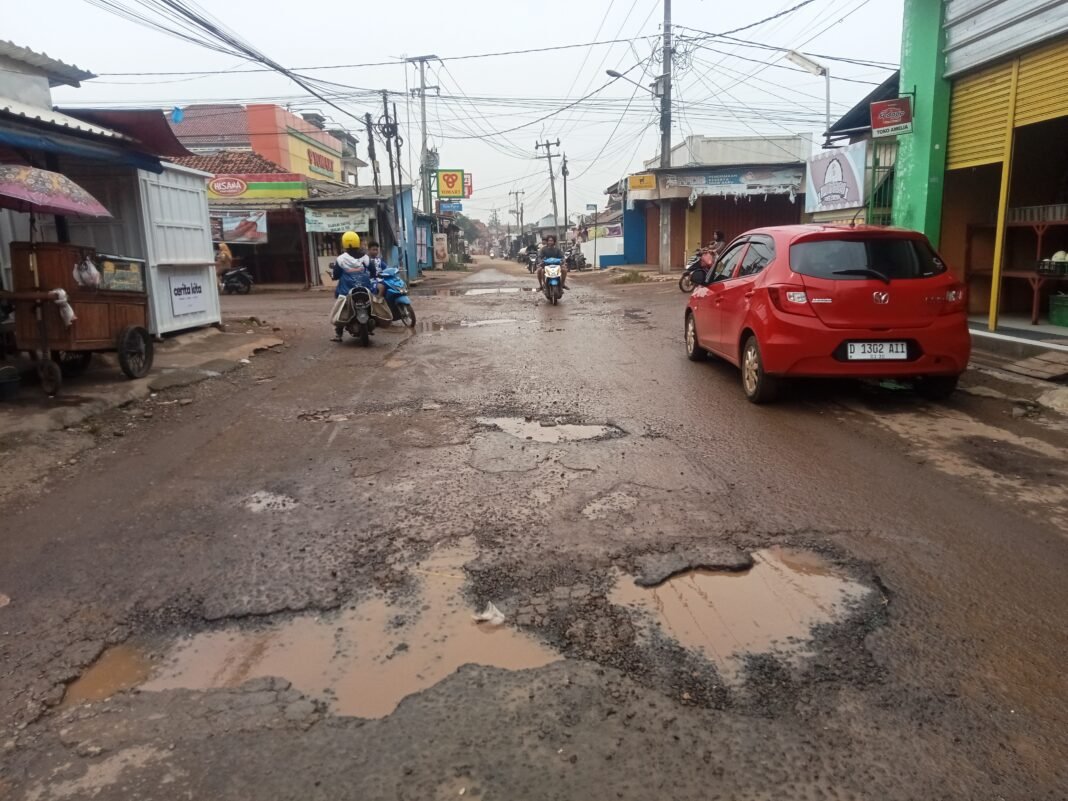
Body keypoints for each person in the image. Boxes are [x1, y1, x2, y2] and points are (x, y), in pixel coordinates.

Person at [331, 230, 372, 342]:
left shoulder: (340, 259)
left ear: (344, 243)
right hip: (365, 287)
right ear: (357, 242)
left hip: (346, 289)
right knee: (372, 301)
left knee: (340, 307)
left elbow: (336, 274)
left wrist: (335, 276)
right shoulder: (365, 257)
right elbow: (372, 270)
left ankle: (339, 334)